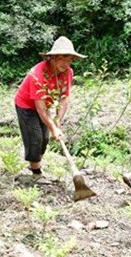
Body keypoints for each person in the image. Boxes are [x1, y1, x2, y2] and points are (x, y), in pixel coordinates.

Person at [14, 36, 86, 179]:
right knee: (35, 137)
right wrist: (53, 127)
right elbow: (40, 108)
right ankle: (36, 173)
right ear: (52, 58)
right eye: (62, 59)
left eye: (69, 60)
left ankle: (35, 163)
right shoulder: (37, 75)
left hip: (45, 104)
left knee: (45, 139)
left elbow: (64, 98)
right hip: (26, 105)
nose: (66, 64)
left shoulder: (68, 73)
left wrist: (58, 120)